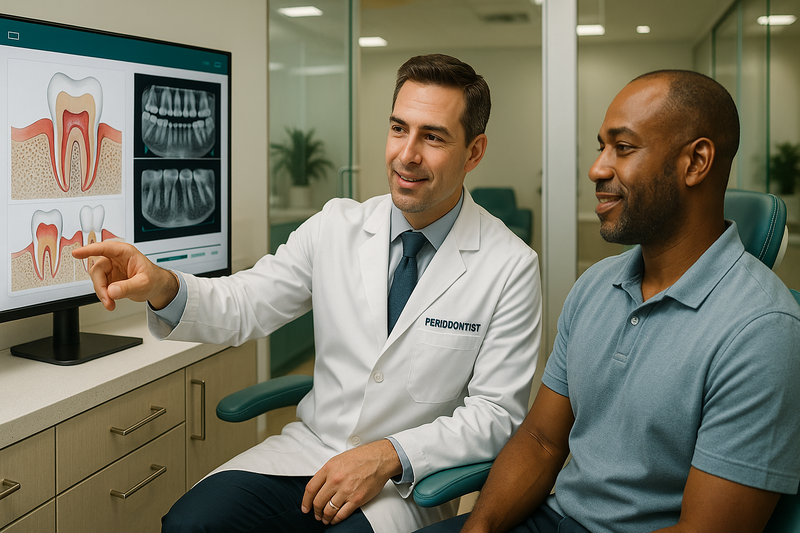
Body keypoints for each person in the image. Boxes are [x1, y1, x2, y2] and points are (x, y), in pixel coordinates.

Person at [73, 54, 542, 533]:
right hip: (307, 455)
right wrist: (164, 285)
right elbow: (246, 303)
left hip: (400, 485)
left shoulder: (509, 265)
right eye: (399, 128)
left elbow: (497, 415)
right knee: (190, 526)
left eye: (433, 136)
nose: (407, 154)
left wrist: (388, 455)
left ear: (475, 151)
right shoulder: (336, 226)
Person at [416, 70, 800, 533]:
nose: (597, 168)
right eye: (601, 147)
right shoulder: (596, 284)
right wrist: (477, 530)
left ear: (696, 162)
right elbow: (540, 441)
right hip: (554, 519)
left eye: (623, 147)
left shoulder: (763, 330)